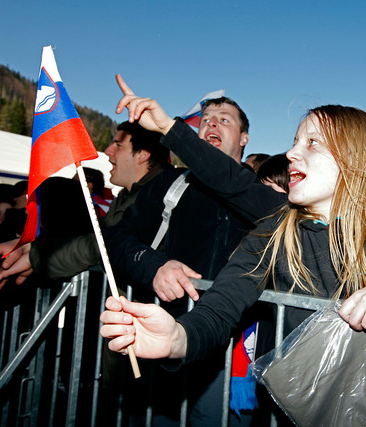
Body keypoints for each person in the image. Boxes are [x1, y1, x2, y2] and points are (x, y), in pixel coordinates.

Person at [100, 104, 366, 424]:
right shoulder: (273, 231)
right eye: (295, 141)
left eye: (312, 143)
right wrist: (178, 337)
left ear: (355, 157)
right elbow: (220, 308)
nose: (292, 153)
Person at [105, 75, 287, 426]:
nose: (211, 124)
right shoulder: (168, 184)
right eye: (205, 120)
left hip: (231, 353)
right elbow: (118, 241)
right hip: (163, 338)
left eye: (224, 120)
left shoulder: (262, 197)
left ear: (244, 138)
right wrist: (154, 265)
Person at [0, 121, 170, 294]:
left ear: (142, 156)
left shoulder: (161, 199)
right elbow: (92, 238)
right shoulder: (126, 197)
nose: (108, 151)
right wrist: (31, 247)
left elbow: (102, 245)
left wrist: (37, 256)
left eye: (118, 145)